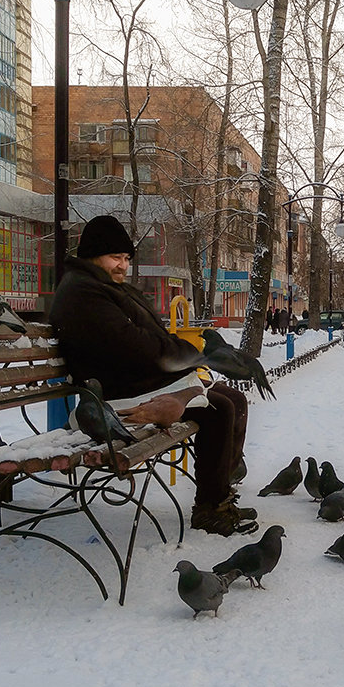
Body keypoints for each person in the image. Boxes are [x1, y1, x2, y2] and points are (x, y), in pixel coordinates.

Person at [49, 215, 258, 536]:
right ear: (93, 255)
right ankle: (210, 507)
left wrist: (185, 361)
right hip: (117, 398)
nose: (122, 265)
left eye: (126, 258)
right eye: (115, 258)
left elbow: (149, 337)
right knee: (220, 409)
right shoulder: (84, 293)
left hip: (133, 384)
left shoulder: (103, 286)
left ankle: (220, 489)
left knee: (232, 398)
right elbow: (132, 345)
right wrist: (180, 364)